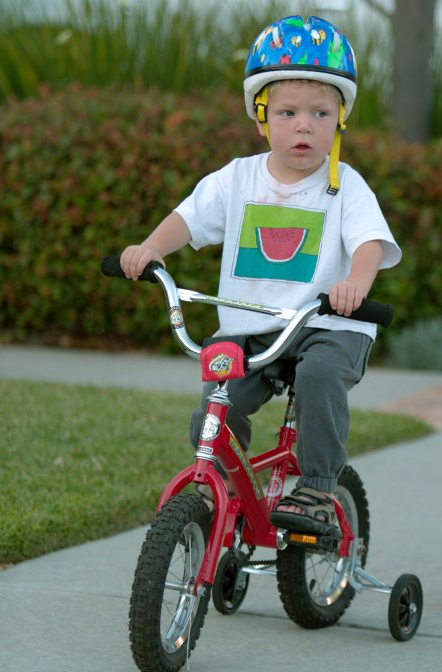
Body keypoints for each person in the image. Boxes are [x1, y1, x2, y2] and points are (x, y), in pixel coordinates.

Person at [120, 15, 401, 538]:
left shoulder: (346, 186)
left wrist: (356, 285)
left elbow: (368, 243)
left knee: (318, 378)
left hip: (329, 327)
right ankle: (220, 488)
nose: (304, 126)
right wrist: (151, 248)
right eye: (289, 112)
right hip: (253, 327)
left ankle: (318, 486)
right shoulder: (238, 178)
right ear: (261, 119)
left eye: (320, 113)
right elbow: (189, 217)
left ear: (339, 119)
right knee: (215, 399)